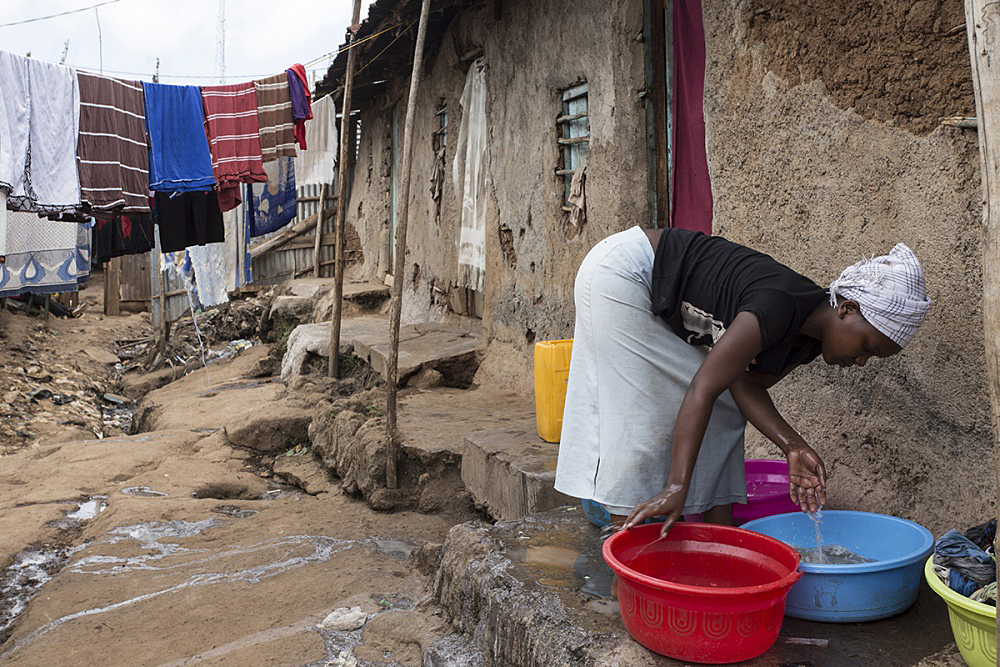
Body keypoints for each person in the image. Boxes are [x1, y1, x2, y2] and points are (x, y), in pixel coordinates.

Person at [553, 226, 931, 538]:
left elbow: (743, 385)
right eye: (867, 346)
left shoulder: (806, 342)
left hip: (637, 282)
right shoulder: (779, 306)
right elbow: (704, 387)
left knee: (724, 408)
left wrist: (793, 447)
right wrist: (676, 485)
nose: (862, 361)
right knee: (640, 420)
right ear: (847, 310)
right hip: (625, 273)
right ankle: (629, 555)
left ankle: (720, 545)